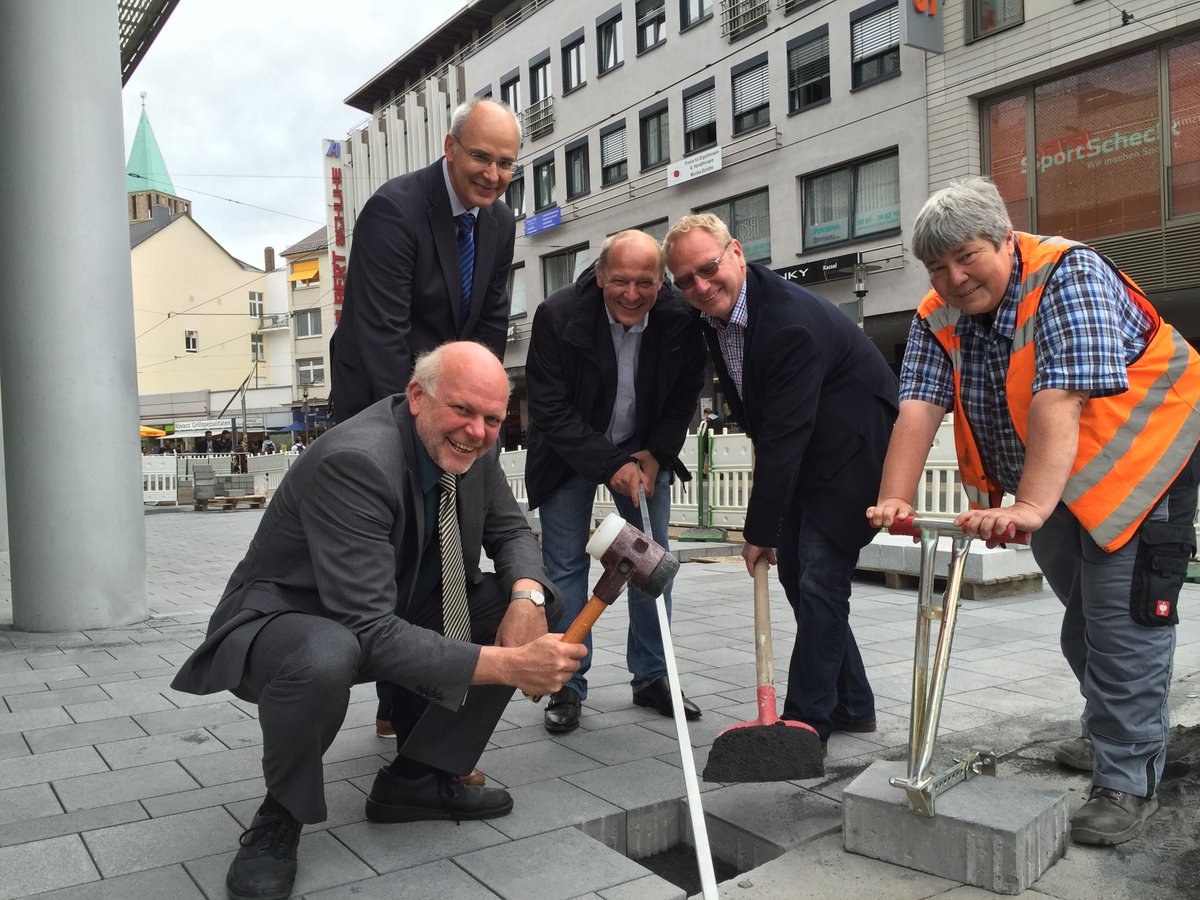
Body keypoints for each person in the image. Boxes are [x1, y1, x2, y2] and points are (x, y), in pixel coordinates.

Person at [171, 342, 585, 900]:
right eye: (463, 410)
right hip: (287, 618)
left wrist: (527, 599)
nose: (478, 431)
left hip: (384, 601)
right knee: (326, 654)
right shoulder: (357, 460)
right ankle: (279, 817)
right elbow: (367, 629)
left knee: (533, 606)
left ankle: (417, 777)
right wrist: (511, 666)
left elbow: (511, 533)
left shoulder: (475, 450)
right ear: (417, 396)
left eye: (492, 418)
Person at [867, 176, 1200, 846]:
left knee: (1121, 628)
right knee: (1084, 629)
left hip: (1143, 467)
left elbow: (1062, 397)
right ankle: (1134, 735)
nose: (954, 278)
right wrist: (894, 499)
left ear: (1003, 239)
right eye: (937, 267)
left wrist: (1027, 505)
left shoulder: (1068, 275)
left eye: (967, 257)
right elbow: (917, 408)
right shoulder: (937, 313)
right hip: (1055, 484)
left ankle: (1128, 781)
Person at [663, 213, 898, 746]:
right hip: (807, 449)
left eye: (708, 269)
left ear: (737, 254)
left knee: (818, 577)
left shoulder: (787, 322)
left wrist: (759, 530)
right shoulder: (713, 314)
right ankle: (855, 704)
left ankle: (807, 720)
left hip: (851, 450)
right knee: (799, 577)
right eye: (684, 281)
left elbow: (785, 437)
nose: (699, 287)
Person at [525, 230, 707, 733]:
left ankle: (653, 675)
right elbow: (549, 409)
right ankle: (567, 683)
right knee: (563, 564)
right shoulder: (558, 315)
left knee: (653, 563)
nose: (632, 294)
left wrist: (657, 452)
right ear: (600, 276)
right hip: (570, 453)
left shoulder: (682, 317)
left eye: (645, 283)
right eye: (620, 281)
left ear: (661, 281)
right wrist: (610, 463)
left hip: (645, 451)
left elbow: (684, 393)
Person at [329, 97, 522, 423]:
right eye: (481, 157)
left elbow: (490, 324)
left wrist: (482, 409)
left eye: (505, 163)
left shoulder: (500, 221)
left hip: (448, 402)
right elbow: (384, 337)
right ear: (450, 147)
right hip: (378, 398)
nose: (492, 175)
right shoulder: (393, 211)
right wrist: (421, 424)